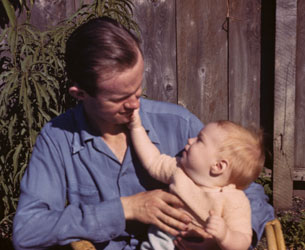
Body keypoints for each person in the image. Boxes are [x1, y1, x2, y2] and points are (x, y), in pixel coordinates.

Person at [12, 17, 274, 250]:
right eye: (121, 98)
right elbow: (28, 230)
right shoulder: (57, 139)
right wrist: (126, 208)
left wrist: (224, 239)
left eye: (137, 90)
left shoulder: (178, 124)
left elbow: (246, 191)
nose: (135, 104)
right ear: (80, 94)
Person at [129, 109, 265, 250]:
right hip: (163, 242)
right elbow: (153, 161)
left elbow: (243, 239)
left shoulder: (234, 200)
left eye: (199, 139)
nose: (190, 140)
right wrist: (137, 128)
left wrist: (225, 236)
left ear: (218, 166)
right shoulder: (179, 170)